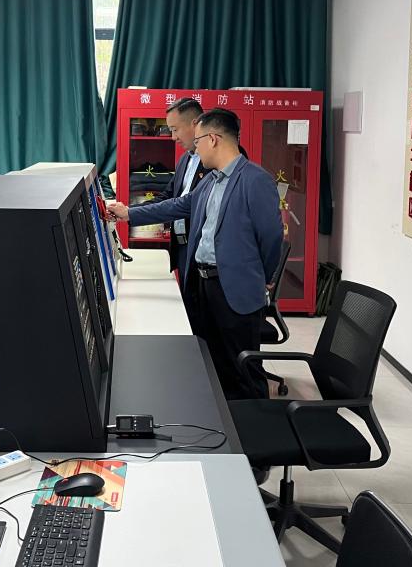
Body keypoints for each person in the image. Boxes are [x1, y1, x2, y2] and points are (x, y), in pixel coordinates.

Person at [109, 108, 282, 399]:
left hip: (235, 289)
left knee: (242, 368)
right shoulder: (210, 181)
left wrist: (259, 277)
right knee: (212, 361)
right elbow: (177, 205)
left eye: (198, 141)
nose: (194, 148)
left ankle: (254, 420)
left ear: (213, 139)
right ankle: (222, 415)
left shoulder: (255, 180)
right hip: (203, 284)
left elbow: (272, 238)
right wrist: (129, 214)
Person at [151, 98, 208, 308]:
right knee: (188, 308)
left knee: (200, 312)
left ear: (195, 124)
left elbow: (184, 205)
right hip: (182, 246)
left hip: (201, 251)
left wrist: (130, 215)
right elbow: (167, 196)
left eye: (175, 130)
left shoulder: (214, 161)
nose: (173, 137)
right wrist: (128, 210)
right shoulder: (185, 159)